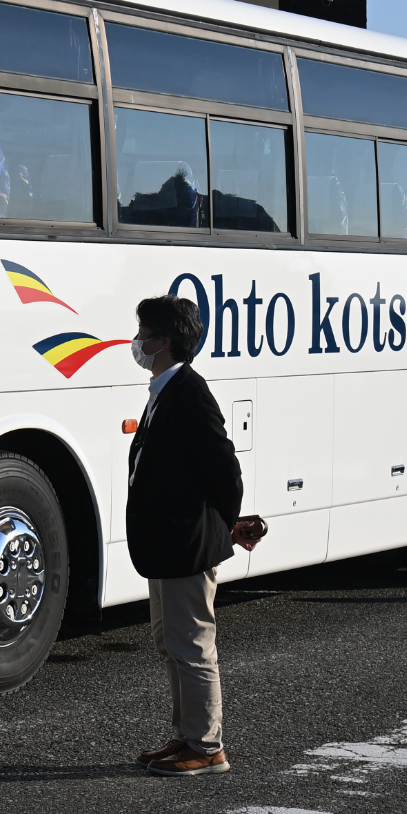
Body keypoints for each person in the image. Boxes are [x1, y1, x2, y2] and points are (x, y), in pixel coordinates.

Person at [124, 295, 264, 778]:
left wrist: (226, 522)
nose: (136, 342)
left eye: (143, 334)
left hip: (186, 543)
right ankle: (186, 735)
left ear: (164, 341)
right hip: (166, 543)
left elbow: (225, 470)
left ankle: (207, 746)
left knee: (191, 645)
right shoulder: (164, 390)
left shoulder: (189, 392)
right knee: (170, 641)